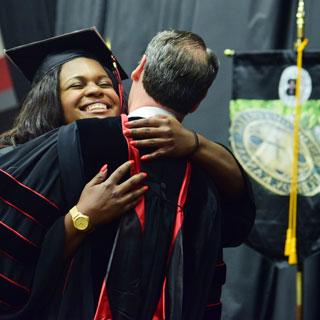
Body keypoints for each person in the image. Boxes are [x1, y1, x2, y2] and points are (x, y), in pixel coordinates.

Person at [0, 28, 254, 319]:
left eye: (105, 82)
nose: (95, 90)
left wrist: (196, 144)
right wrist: (82, 218)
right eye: (76, 85)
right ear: (50, 99)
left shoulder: (163, 157)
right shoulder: (23, 161)